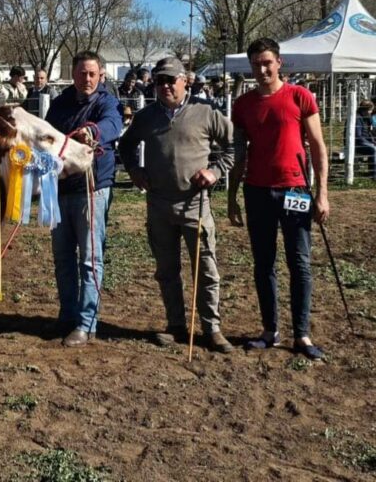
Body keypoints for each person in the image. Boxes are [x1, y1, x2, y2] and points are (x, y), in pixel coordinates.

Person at [119, 57, 235, 353]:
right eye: (160, 81)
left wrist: (216, 171)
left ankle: (212, 328)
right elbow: (126, 145)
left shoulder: (206, 113)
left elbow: (235, 145)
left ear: (186, 81)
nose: (166, 86)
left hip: (195, 204)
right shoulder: (146, 117)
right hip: (159, 205)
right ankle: (175, 325)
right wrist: (134, 170)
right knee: (166, 270)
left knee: (206, 268)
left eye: (171, 80)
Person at [228, 37, 329, 361]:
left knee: (299, 262)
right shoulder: (242, 105)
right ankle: (270, 330)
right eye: (256, 64)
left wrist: (322, 193)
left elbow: (317, 146)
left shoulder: (300, 96)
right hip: (257, 192)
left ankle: (301, 333)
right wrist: (232, 196)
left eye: (267, 62)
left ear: (279, 63)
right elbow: (238, 154)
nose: (262, 69)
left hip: (294, 190)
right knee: (263, 264)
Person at [44, 50, 122, 347]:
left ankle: (87, 322)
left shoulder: (106, 102)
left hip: (92, 188)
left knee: (90, 258)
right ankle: (67, 314)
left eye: (92, 73)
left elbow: (113, 125)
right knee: (63, 257)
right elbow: (48, 135)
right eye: (81, 73)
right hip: (61, 187)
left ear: (100, 74)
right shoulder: (60, 104)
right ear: (73, 74)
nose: (86, 79)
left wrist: (92, 131)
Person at [355, 100, 376, 179]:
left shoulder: (365, 118)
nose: (371, 112)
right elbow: (358, 136)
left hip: (364, 141)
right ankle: (374, 174)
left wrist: (373, 141)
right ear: (365, 110)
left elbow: (369, 133)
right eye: (370, 110)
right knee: (373, 149)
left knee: (373, 147)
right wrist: (370, 143)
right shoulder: (358, 119)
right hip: (358, 143)